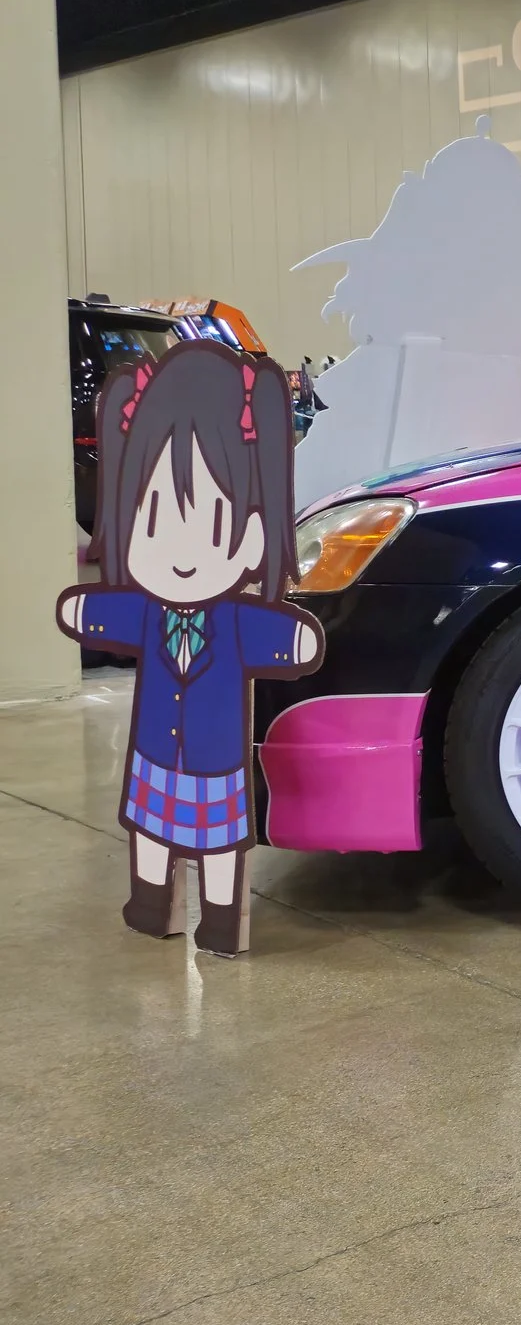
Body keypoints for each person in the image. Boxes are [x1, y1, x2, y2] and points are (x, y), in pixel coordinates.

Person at [58, 343, 323, 955]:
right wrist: (81, 611)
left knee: (221, 844)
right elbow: (99, 612)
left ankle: (223, 918)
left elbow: (289, 640)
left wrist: (298, 636)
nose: (180, 552)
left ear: (254, 533)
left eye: (213, 524)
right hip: (155, 752)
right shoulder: (146, 611)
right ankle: (151, 902)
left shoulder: (237, 618)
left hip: (215, 761)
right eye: (151, 521)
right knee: (150, 831)